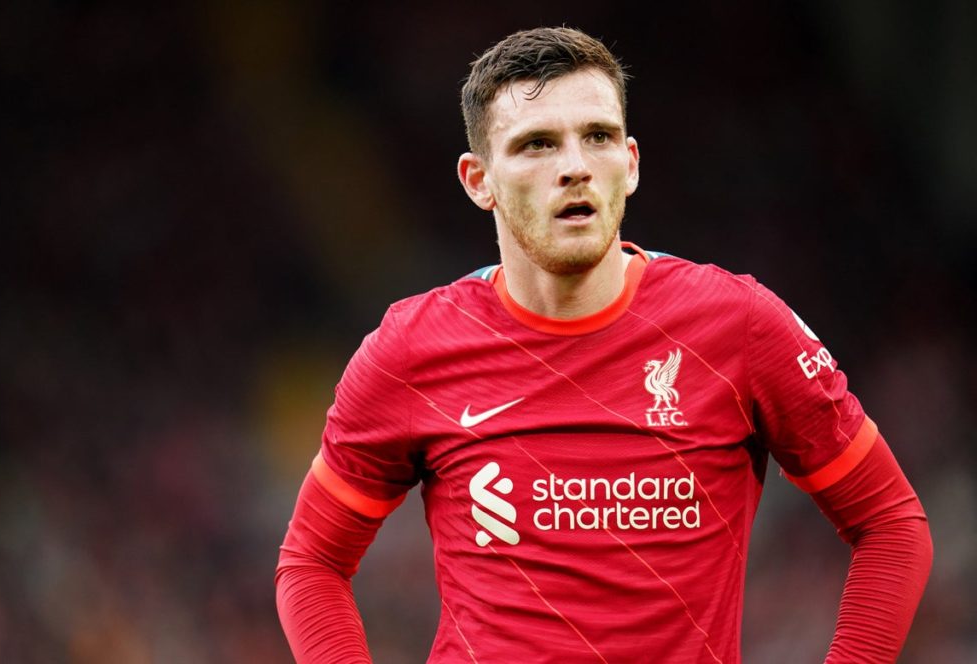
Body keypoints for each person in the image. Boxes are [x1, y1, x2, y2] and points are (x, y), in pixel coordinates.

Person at [275, 26, 932, 663]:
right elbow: (311, 561)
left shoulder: (739, 326)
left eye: (598, 137)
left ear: (631, 163)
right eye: (536, 144)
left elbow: (892, 525)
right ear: (479, 180)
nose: (575, 167)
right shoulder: (413, 348)